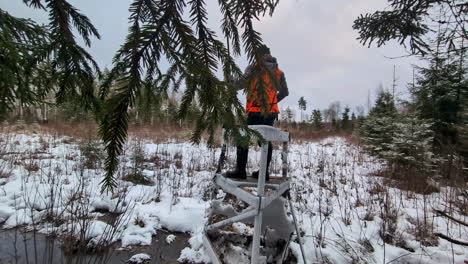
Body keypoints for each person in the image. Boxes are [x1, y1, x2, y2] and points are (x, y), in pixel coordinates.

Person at [226, 45, 289, 181]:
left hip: (255, 111)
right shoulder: (279, 73)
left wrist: (230, 80)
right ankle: (264, 173)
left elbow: (239, 85)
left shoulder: (254, 69)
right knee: (265, 141)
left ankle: (240, 171)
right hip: (271, 113)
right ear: (269, 54)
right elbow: (285, 92)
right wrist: (272, 102)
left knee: (244, 138)